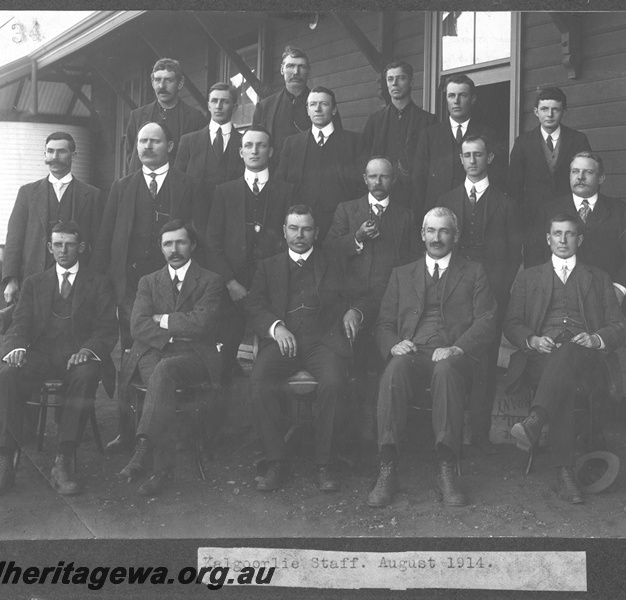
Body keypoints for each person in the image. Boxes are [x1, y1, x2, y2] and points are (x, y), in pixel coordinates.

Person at [369, 207, 497, 508]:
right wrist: (393, 345)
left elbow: (487, 320)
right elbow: (384, 323)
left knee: (446, 371)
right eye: (431, 231)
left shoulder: (473, 271)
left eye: (443, 231)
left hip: (453, 353)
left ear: (455, 236)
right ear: (422, 234)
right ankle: (387, 467)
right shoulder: (403, 274)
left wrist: (458, 348)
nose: (436, 238)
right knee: (394, 369)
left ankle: (446, 467)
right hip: (413, 350)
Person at [0, 222, 117, 497]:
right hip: (41, 354)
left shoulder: (98, 282)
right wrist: (17, 347)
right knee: (8, 375)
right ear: (49, 247)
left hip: (77, 355)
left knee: (87, 374)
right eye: (57, 244)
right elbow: (19, 322)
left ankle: (64, 461)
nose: (63, 250)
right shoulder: (34, 283)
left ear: (80, 247)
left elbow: (106, 328)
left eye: (69, 244)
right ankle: (5, 462)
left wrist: (88, 350)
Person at [245, 206, 371, 493]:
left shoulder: (334, 261)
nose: (299, 235)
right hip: (283, 341)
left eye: (306, 229)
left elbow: (363, 296)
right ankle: (277, 460)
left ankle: (324, 463)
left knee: (333, 382)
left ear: (316, 233)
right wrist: (276, 327)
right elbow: (253, 306)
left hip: (323, 339)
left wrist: (354, 312)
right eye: (293, 228)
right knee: (259, 381)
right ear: (284, 231)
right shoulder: (269, 265)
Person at [92, 121, 200, 452]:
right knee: (131, 357)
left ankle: (171, 431)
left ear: (170, 145)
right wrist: (103, 287)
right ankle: (128, 432)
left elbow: (199, 238)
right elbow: (106, 238)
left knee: (173, 355)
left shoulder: (188, 185)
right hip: (131, 291)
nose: (147, 146)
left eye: (155, 141)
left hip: (176, 291)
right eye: (142, 141)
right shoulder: (122, 187)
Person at [505, 213, 626, 504]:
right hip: (540, 360)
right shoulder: (528, 277)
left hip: (587, 362)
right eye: (556, 234)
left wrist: (595, 338)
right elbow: (511, 323)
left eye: (569, 234)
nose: (562, 239)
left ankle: (537, 422)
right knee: (563, 379)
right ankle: (564, 471)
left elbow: (619, 327)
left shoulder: (598, 278)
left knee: (570, 354)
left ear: (579, 240)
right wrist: (533, 340)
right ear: (548, 239)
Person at [117, 220, 224, 496]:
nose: (174, 249)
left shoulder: (210, 281)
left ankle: (143, 449)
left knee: (162, 375)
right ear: (161, 248)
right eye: (168, 244)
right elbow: (137, 325)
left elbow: (201, 325)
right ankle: (161, 469)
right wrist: (172, 335)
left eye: (180, 242)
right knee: (161, 382)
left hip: (195, 357)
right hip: (155, 351)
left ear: (193, 245)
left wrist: (162, 319)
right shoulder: (149, 282)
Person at [436, 131, 522, 453]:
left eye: (478, 155)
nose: (472, 161)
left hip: (492, 293)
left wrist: (496, 290)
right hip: (454, 290)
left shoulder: (506, 203)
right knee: (453, 353)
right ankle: (450, 429)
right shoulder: (446, 201)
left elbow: (514, 254)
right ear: (461, 159)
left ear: (490, 159)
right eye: (467, 156)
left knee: (484, 360)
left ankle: (479, 431)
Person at [205, 125, 293, 382]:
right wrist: (230, 282)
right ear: (240, 152)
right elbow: (212, 241)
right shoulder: (225, 191)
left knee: (272, 361)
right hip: (233, 290)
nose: (255, 151)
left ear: (271, 151)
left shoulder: (285, 191)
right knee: (223, 358)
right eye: (249, 146)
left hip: (274, 290)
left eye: (261, 145)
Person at [2, 131, 102, 305]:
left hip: (77, 283)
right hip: (34, 279)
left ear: (74, 155)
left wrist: (93, 281)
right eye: (50, 151)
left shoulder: (92, 195)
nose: (54, 157)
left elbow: (100, 242)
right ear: (45, 154)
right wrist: (11, 279)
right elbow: (14, 239)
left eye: (61, 151)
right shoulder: (27, 193)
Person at [324, 156, 419, 322]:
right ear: (365, 179)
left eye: (384, 177)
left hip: (392, 298)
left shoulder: (406, 216)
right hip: (351, 299)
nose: (378, 182)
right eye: (373, 176)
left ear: (394, 180)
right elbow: (329, 248)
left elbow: (413, 259)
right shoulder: (346, 209)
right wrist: (357, 237)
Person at [540, 151, 626, 311]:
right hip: (559, 299)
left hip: (606, 298)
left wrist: (619, 289)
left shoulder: (620, 210)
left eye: (588, 172)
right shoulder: (550, 209)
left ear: (601, 178)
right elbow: (539, 254)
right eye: (575, 171)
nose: (580, 177)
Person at [508, 87, 591, 267]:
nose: (550, 114)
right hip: (533, 221)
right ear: (536, 111)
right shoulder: (523, 142)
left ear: (564, 111)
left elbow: (587, 182)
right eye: (545, 109)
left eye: (556, 109)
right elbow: (514, 186)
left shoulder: (578, 140)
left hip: (569, 218)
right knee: (536, 268)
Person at [275, 86, 365, 243]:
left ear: (334, 109)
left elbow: (361, 185)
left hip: (340, 224)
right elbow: (280, 184)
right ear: (307, 110)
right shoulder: (292, 143)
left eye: (324, 104)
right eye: (312, 104)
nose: (317, 109)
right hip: (302, 224)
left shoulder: (354, 142)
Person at [412, 75, 505, 214]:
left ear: (472, 99)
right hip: (438, 213)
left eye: (462, 95)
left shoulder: (488, 134)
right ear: (446, 99)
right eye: (451, 96)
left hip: (474, 212)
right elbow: (418, 181)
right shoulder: (429, 135)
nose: (456, 101)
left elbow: (498, 177)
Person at [361, 60, 437, 211]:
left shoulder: (428, 121)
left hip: (415, 198)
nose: (394, 83)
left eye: (401, 78)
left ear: (411, 81)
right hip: (382, 196)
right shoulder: (375, 121)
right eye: (390, 79)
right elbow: (364, 159)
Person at [253, 45, 342, 170]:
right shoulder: (265, 107)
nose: (296, 72)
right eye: (290, 66)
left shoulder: (325, 105)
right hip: (275, 180)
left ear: (309, 71)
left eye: (302, 67)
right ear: (282, 69)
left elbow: (337, 146)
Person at [174, 82, 245, 231]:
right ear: (208, 105)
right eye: (214, 101)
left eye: (225, 101)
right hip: (196, 223)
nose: (218, 106)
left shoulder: (244, 143)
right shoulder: (189, 141)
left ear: (235, 107)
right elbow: (177, 184)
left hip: (232, 222)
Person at [125, 58, 207, 174]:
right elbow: (131, 156)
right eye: (157, 80)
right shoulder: (137, 116)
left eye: (168, 80)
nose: (161, 86)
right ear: (152, 83)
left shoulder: (195, 118)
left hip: (180, 187)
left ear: (180, 83)